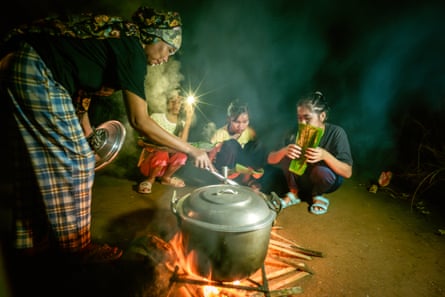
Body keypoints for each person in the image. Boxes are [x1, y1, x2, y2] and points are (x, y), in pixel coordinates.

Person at [0, 6, 213, 264]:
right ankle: (77, 249)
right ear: (154, 37)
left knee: (30, 158)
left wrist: (89, 136)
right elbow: (139, 120)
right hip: (36, 69)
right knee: (79, 162)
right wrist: (191, 149)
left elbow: (80, 97)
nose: (166, 58)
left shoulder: (111, 42)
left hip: (20, 63)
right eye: (168, 49)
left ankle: (29, 242)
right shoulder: (131, 47)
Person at [267, 91, 353, 215]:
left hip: (326, 179)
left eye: (307, 118)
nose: (302, 123)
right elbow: (270, 159)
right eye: (299, 118)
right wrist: (284, 151)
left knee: (321, 171)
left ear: (322, 116)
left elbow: (347, 172)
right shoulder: (294, 131)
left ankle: (317, 195)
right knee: (287, 155)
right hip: (302, 178)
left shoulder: (336, 133)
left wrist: (324, 155)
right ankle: (293, 193)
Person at [137, 90, 194, 194]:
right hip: (150, 164)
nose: (176, 104)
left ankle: (166, 178)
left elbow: (182, 145)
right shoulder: (156, 117)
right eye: (173, 100)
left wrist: (188, 120)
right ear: (166, 102)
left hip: (165, 167)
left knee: (182, 154)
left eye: (179, 101)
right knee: (162, 152)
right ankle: (150, 179)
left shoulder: (181, 124)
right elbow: (141, 141)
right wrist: (157, 146)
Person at [210, 100, 266, 189]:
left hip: (242, 171)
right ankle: (226, 182)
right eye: (236, 122)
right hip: (226, 171)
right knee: (231, 144)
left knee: (257, 145)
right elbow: (210, 158)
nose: (241, 126)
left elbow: (253, 153)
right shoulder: (219, 134)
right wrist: (219, 147)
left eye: (245, 122)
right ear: (229, 119)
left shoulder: (249, 132)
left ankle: (248, 181)